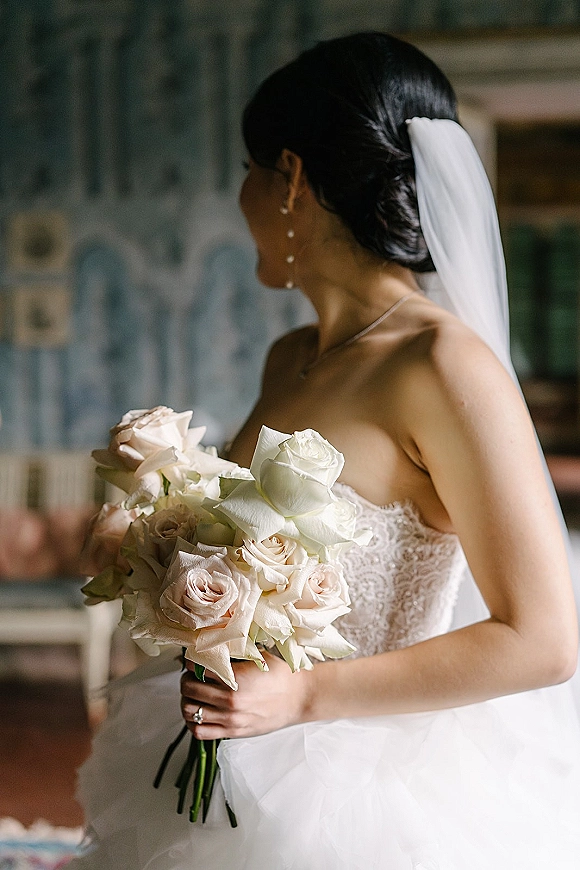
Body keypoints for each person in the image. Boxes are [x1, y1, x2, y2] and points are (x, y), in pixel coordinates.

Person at [68, 32, 580, 869]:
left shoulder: (442, 364)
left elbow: (543, 639)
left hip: (366, 793)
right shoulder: (289, 358)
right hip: (229, 754)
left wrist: (306, 693)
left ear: (292, 178)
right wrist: (155, 550)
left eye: (248, 169)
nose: (243, 196)